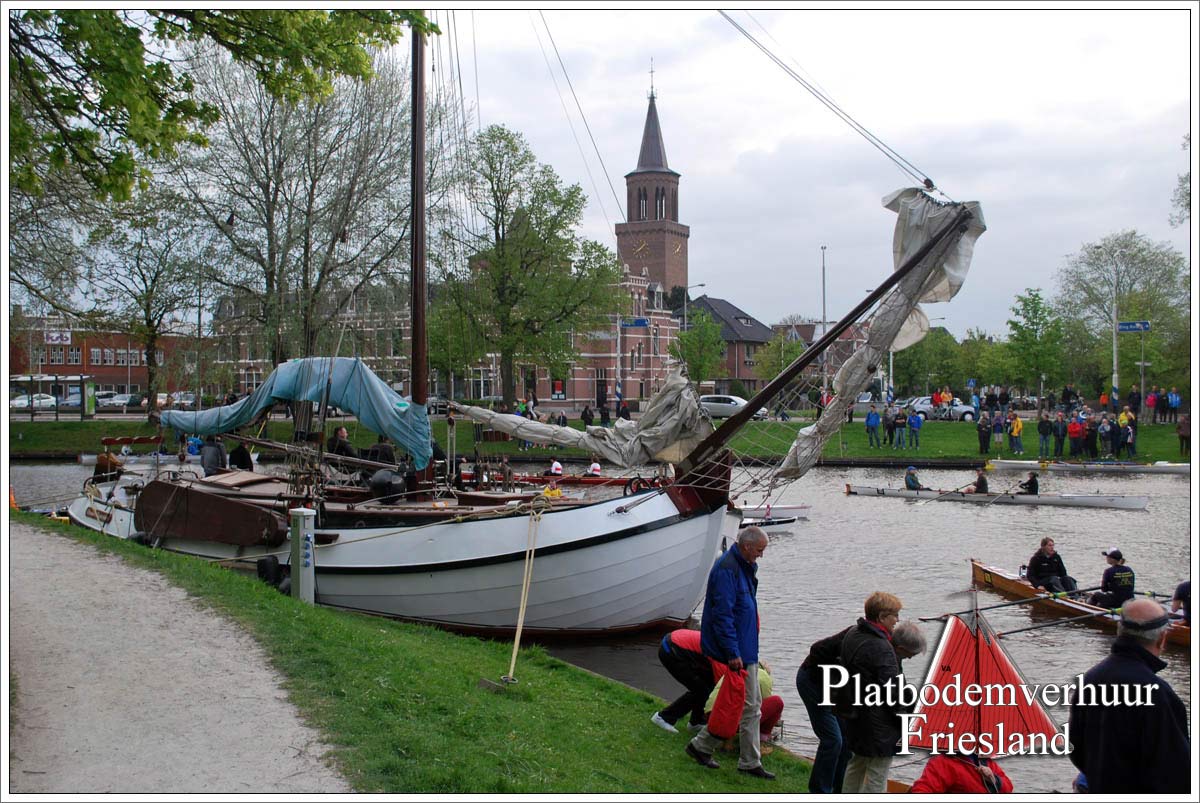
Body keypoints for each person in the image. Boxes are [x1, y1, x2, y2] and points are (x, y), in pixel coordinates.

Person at [1067, 599, 1189, 793]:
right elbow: (1177, 769)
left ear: (1119, 630)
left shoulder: (1090, 679)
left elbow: (1076, 748)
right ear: (1162, 639)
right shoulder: (1157, 692)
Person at [684, 527, 773, 780]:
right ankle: (735, 757)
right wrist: (733, 652)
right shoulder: (728, 569)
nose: (761, 555)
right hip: (739, 650)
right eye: (759, 550)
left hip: (746, 647)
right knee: (748, 705)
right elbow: (723, 615)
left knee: (749, 705)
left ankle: (721, 751)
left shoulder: (744, 567)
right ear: (747, 546)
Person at [839, 592, 913, 794]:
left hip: (856, 715)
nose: (897, 620)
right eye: (894, 615)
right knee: (878, 774)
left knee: (856, 765)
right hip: (878, 723)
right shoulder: (881, 646)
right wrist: (905, 719)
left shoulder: (854, 633)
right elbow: (892, 691)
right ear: (881, 617)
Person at [796, 624, 855, 793]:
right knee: (833, 739)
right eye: (894, 616)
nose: (896, 620)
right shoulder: (854, 637)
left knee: (846, 740)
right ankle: (819, 791)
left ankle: (838, 789)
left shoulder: (881, 647)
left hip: (835, 690)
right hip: (813, 682)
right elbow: (816, 649)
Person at [704, 662, 784, 748]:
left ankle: (726, 740)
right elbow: (767, 706)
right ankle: (762, 739)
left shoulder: (733, 671)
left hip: (710, 716)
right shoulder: (763, 675)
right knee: (777, 702)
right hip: (730, 720)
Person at [652, 628, 715, 734]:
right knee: (700, 690)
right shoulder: (722, 660)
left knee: (707, 686)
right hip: (671, 650)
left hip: (677, 643)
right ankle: (663, 718)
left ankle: (696, 722)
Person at [910, 753, 1013, 793]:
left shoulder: (984, 759)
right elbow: (922, 790)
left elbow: (1008, 787)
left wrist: (994, 779)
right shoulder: (942, 762)